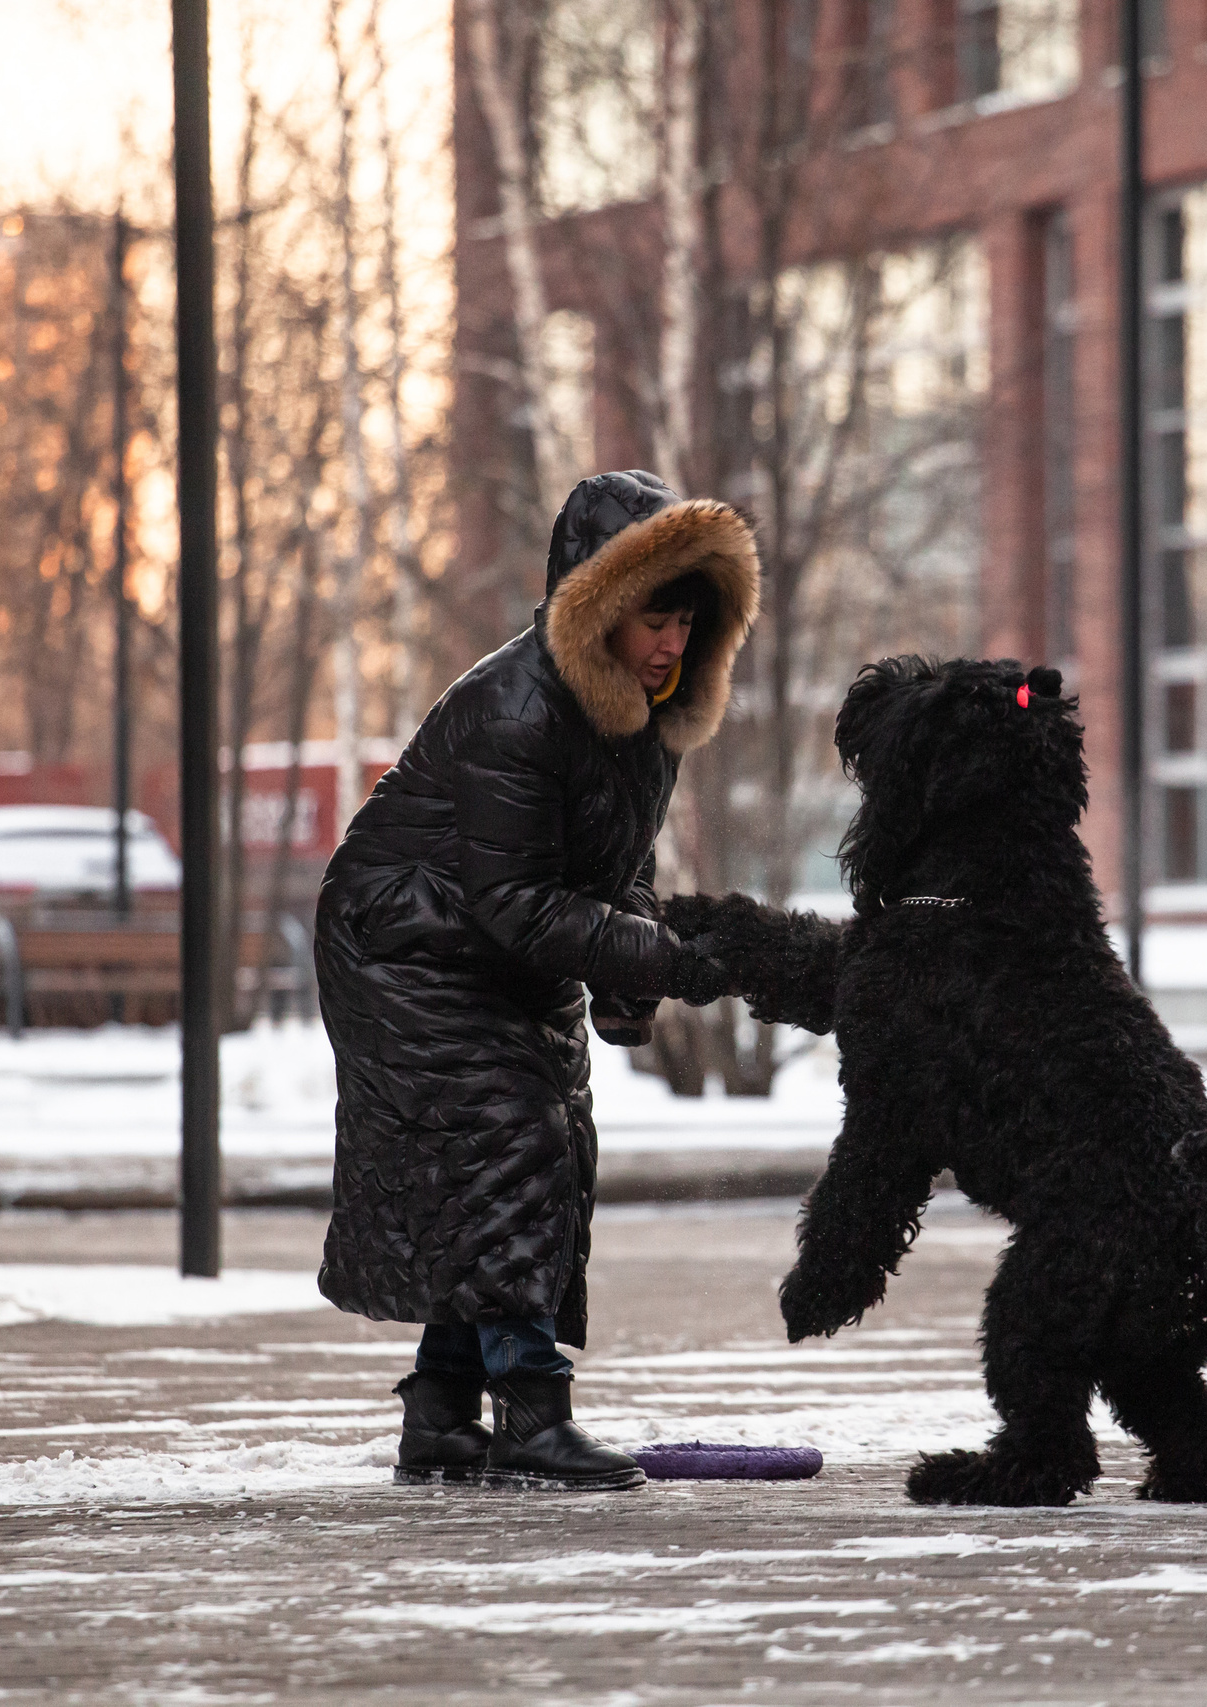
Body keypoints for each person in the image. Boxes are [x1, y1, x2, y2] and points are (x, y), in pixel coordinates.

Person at [315, 470, 759, 1490]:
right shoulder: (516, 708)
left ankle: (437, 1413)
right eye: (654, 616)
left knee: (533, 1149)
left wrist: (631, 962)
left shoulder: (647, 714)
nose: (671, 644)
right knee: (509, 1140)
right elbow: (515, 901)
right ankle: (529, 1413)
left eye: (688, 621)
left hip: (493, 942)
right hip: (403, 943)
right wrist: (665, 960)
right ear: (596, 605)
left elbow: (618, 863)